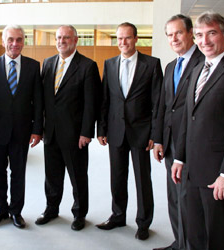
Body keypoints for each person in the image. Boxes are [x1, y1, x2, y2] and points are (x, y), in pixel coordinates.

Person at [171, 11, 224, 250]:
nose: (204, 41)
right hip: (191, 171)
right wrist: (179, 157)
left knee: (217, 238)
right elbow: (189, 117)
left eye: (211, 33)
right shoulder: (197, 69)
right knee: (194, 233)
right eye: (199, 35)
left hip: (218, 175)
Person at [96, 22, 163, 240]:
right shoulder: (109, 63)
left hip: (141, 133)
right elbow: (105, 99)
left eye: (127, 38)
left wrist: (155, 134)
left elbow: (157, 103)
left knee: (143, 180)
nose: (123, 43)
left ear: (136, 39)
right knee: (117, 176)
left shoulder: (152, 64)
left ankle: (143, 222)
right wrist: (102, 128)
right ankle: (118, 215)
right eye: (119, 38)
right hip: (115, 131)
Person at [35, 25, 100, 231]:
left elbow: (92, 103)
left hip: (75, 135)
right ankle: (51, 209)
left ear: (75, 40)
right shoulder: (48, 63)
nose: (61, 41)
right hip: (51, 133)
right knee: (52, 176)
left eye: (66, 38)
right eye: (59, 37)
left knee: (78, 176)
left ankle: (79, 213)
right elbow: (43, 100)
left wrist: (86, 132)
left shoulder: (88, 66)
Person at [0, 25, 43, 229]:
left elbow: (38, 102)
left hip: (22, 131)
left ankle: (16, 211)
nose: (15, 44)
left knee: (18, 173)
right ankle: (0, 209)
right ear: (3, 41)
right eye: (11, 39)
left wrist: (37, 130)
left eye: (19, 39)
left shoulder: (33, 66)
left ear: (24, 41)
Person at [152, 15, 204, 250]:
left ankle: (191, 245)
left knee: (188, 199)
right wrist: (159, 140)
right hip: (170, 141)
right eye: (170, 34)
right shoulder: (171, 65)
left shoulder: (204, 62)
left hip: (193, 143)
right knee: (174, 196)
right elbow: (164, 106)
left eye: (178, 33)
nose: (174, 38)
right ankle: (179, 242)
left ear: (190, 32)